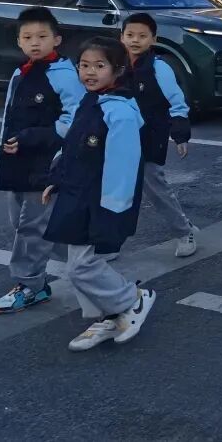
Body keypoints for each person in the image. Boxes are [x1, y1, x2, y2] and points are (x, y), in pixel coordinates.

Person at [42, 37, 156, 351]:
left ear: (117, 70)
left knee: (81, 266)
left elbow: (123, 166)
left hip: (99, 202)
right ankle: (110, 314)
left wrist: (113, 209)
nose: (90, 72)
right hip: (76, 195)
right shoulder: (90, 101)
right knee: (77, 261)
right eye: (84, 65)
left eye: (99, 66)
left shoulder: (119, 112)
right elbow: (70, 146)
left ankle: (131, 299)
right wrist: (57, 178)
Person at [0, 7, 85, 315]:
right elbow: (8, 115)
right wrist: (2, 146)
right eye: (27, 37)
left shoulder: (65, 76)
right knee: (21, 222)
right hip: (16, 161)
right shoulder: (22, 72)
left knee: (31, 226)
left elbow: (76, 118)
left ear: (56, 39)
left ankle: (30, 285)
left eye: (42, 36)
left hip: (46, 163)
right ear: (18, 41)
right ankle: (87, 255)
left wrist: (35, 137)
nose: (35, 42)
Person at [120, 13, 198, 257]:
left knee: (156, 188)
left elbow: (177, 102)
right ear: (120, 37)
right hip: (119, 138)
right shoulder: (114, 65)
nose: (135, 41)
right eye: (130, 35)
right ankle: (109, 242)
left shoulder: (159, 67)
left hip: (150, 136)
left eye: (142, 36)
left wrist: (180, 134)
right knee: (115, 191)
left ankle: (184, 231)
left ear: (153, 39)